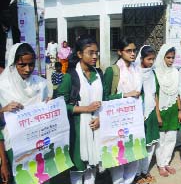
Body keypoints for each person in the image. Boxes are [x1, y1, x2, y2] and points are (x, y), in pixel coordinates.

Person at [56, 35, 119, 184]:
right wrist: (86, 108)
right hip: (77, 130)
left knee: (92, 167)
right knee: (78, 168)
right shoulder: (70, 77)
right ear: (79, 54)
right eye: (90, 52)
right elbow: (59, 105)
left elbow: (104, 100)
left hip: (96, 126)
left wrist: (100, 118)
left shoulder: (99, 74)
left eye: (96, 53)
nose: (95, 56)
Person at [0, 43, 49, 183]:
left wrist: (50, 105)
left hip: (39, 140)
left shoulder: (41, 84)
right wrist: (3, 110)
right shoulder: (2, 86)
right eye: (22, 65)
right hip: (15, 144)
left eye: (31, 64)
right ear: (13, 64)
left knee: (42, 176)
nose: (28, 69)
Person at [103, 37, 143, 184]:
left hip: (134, 119)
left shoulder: (136, 69)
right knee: (119, 156)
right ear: (120, 52)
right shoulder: (112, 71)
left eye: (134, 50)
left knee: (134, 155)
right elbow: (105, 98)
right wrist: (124, 95)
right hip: (117, 119)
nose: (133, 54)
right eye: (128, 51)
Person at [154, 45, 181, 177]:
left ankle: (166, 162)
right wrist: (158, 115)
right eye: (168, 57)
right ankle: (160, 164)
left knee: (171, 138)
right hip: (161, 109)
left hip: (172, 109)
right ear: (162, 57)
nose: (171, 60)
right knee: (161, 139)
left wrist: (179, 110)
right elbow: (154, 96)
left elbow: (177, 93)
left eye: (173, 57)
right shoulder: (156, 73)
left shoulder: (175, 73)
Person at [134, 45, 159, 184]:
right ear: (142, 58)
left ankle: (144, 170)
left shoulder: (152, 73)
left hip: (151, 113)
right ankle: (137, 174)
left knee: (150, 145)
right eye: (148, 59)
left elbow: (154, 94)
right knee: (139, 145)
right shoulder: (136, 73)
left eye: (153, 59)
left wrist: (157, 114)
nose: (151, 62)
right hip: (139, 114)